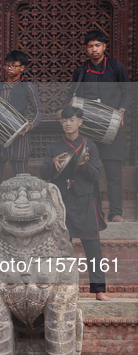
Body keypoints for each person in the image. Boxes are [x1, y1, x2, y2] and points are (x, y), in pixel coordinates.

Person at [39, 106, 111, 301]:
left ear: (80, 122)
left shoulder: (90, 146)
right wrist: (52, 162)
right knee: (62, 248)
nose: (68, 124)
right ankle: (64, 289)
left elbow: (95, 175)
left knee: (93, 247)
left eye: (72, 120)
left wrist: (85, 165)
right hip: (62, 201)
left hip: (85, 200)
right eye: (64, 120)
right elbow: (44, 174)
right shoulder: (54, 147)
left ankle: (99, 290)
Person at [61, 29, 131, 222]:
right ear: (86, 48)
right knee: (89, 173)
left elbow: (127, 92)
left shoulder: (116, 68)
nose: (94, 49)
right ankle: (96, 213)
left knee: (113, 173)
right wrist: (63, 110)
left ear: (104, 47)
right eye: (90, 46)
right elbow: (71, 95)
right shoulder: (81, 72)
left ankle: (115, 213)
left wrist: (122, 110)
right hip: (87, 130)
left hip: (111, 129)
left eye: (97, 45)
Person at [0, 50, 44, 208]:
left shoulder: (29, 87)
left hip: (19, 138)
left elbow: (39, 111)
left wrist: (30, 124)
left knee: (21, 178)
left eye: (14, 66)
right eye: (7, 65)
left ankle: (23, 210)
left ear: (22, 68)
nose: (9, 68)